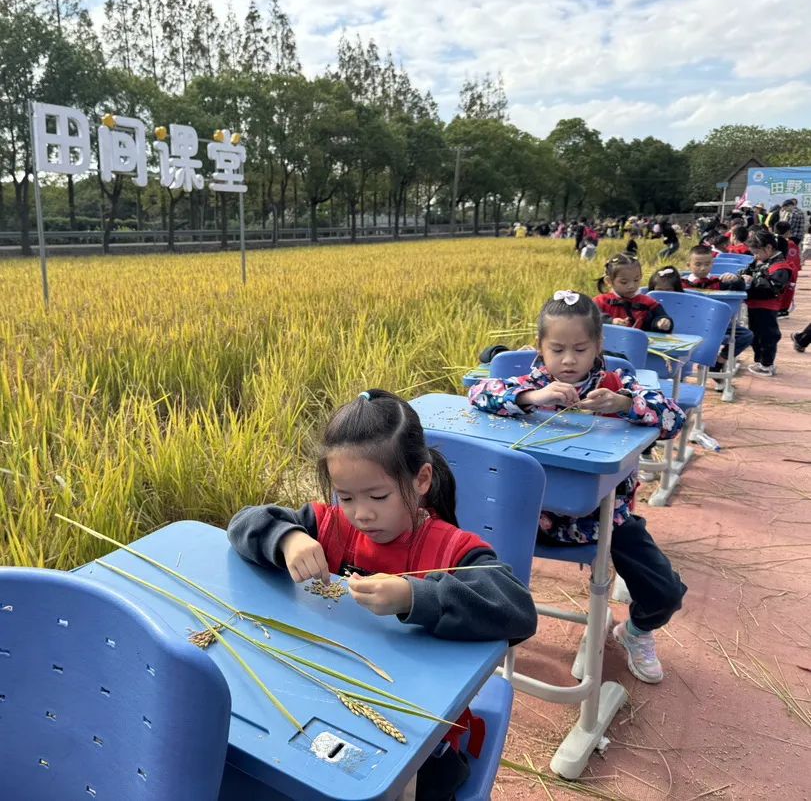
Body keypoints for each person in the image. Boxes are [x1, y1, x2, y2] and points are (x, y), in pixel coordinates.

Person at [227, 389, 538, 800]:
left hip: (419, 724)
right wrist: (287, 539)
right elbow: (243, 524)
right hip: (332, 703)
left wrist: (415, 596)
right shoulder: (330, 526)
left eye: (377, 497)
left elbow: (517, 610)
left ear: (421, 480)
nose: (362, 514)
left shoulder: (450, 550)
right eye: (347, 496)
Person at [468, 292, 687, 684]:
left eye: (580, 349)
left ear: (598, 347)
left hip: (605, 521)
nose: (568, 360)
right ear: (540, 348)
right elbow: (477, 393)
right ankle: (482, 625)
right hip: (534, 517)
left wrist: (622, 404)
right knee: (465, 546)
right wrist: (531, 397)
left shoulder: (618, 383)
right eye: (557, 349)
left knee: (665, 591)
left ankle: (634, 632)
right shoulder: (533, 382)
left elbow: (672, 417)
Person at [681, 245, 754, 374]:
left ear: (712, 263)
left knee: (746, 335)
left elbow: (740, 288)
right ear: (689, 265)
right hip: (689, 324)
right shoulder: (682, 283)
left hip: (717, 324)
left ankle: (718, 362)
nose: (703, 268)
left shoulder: (718, 282)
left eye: (707, 264)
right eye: (698, 264)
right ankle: (681, 371)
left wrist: (736, 279)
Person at [743, 230, 793, 377]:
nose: (755, 256)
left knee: (768, 335)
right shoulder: (762, 261)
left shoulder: (781, 267)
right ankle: (760, 360)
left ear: (769, 248)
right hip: (755, 304)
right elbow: (749, 271)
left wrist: (753, 280)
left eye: (757, 252)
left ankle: (767, 363)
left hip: (767, 306)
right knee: (755, 334)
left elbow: (773, 288)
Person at [594, 253, 674, 332]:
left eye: (636, 280)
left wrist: (662, 323)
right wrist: (611, 321)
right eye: (624, 282)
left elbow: (660, 317)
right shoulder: (600, 302)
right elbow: (590, 318)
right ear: (609, 281)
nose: (632, 286)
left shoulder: (648, 303)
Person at [773, 221, 801, 317]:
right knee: (787, 290)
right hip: (787, 268)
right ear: (788, 231)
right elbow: (794, 259)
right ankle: (783, 309)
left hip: (775, 268)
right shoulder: (790, 244)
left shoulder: (772, 240)